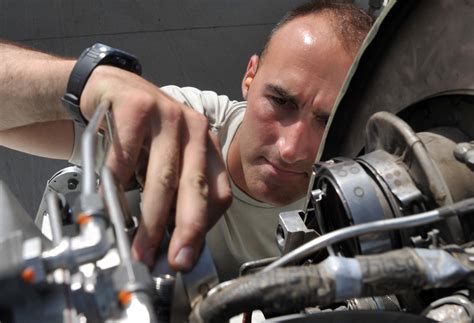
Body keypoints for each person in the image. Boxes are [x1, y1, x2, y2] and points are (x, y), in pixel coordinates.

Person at [0, 1, 373, 280]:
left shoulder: (368, 192)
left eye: (328, 121)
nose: (292, 149)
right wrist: (85, 80)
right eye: (280, 101)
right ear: (250, 76)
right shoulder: (180, 124)